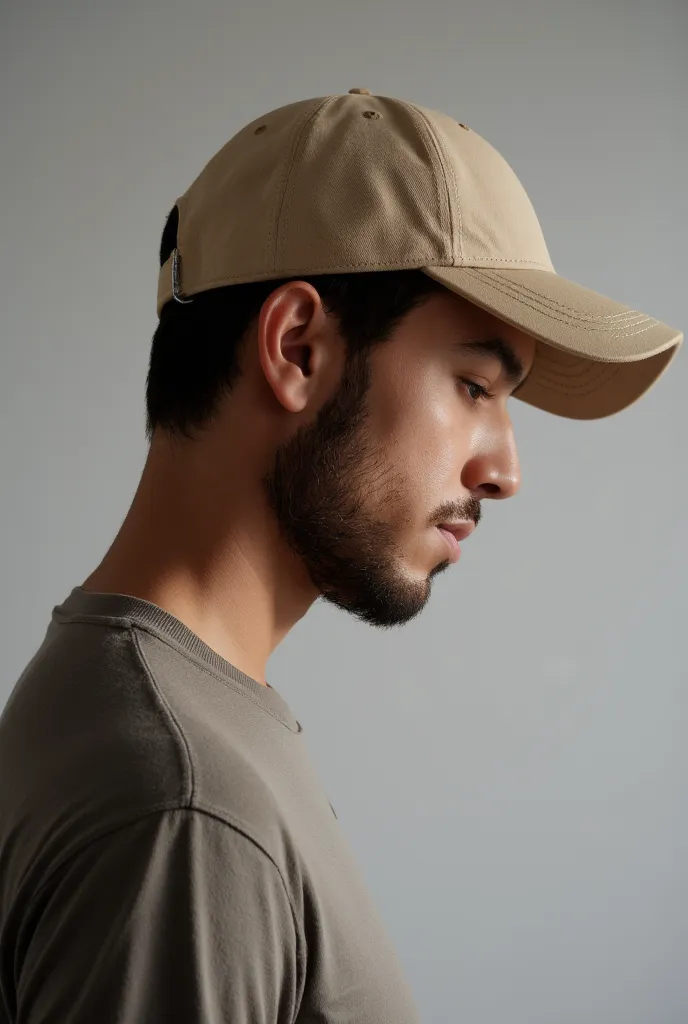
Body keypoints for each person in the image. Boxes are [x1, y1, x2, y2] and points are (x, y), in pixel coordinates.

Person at [0, 88, 681, 1023]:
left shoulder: (146, 710)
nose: (505, 470)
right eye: (475, 383)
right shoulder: (186, 811)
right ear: (299, 348)